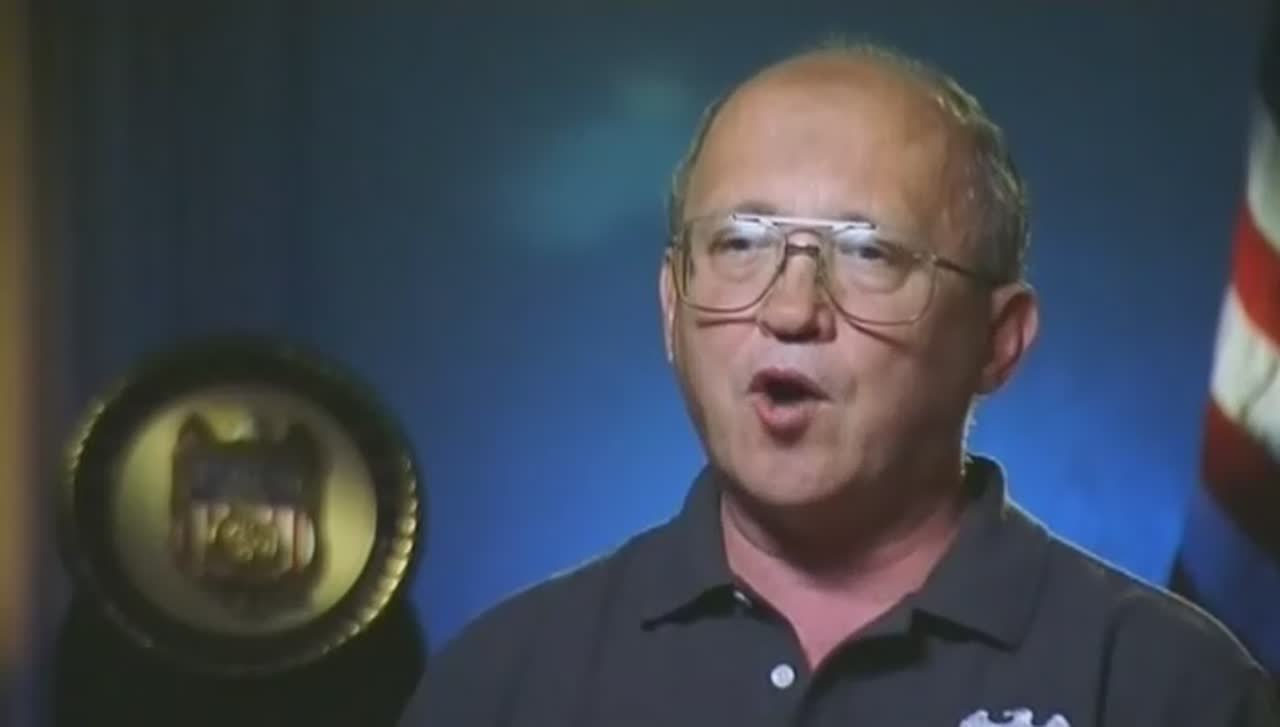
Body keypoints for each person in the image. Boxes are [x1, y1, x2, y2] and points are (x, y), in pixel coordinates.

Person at [400, 40, 1279, 726]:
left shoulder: (1171, 689)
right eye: (739, 243)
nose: (791, 308)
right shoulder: (504, 683)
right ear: (672, 306)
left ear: (999, 341)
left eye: (869, 253)